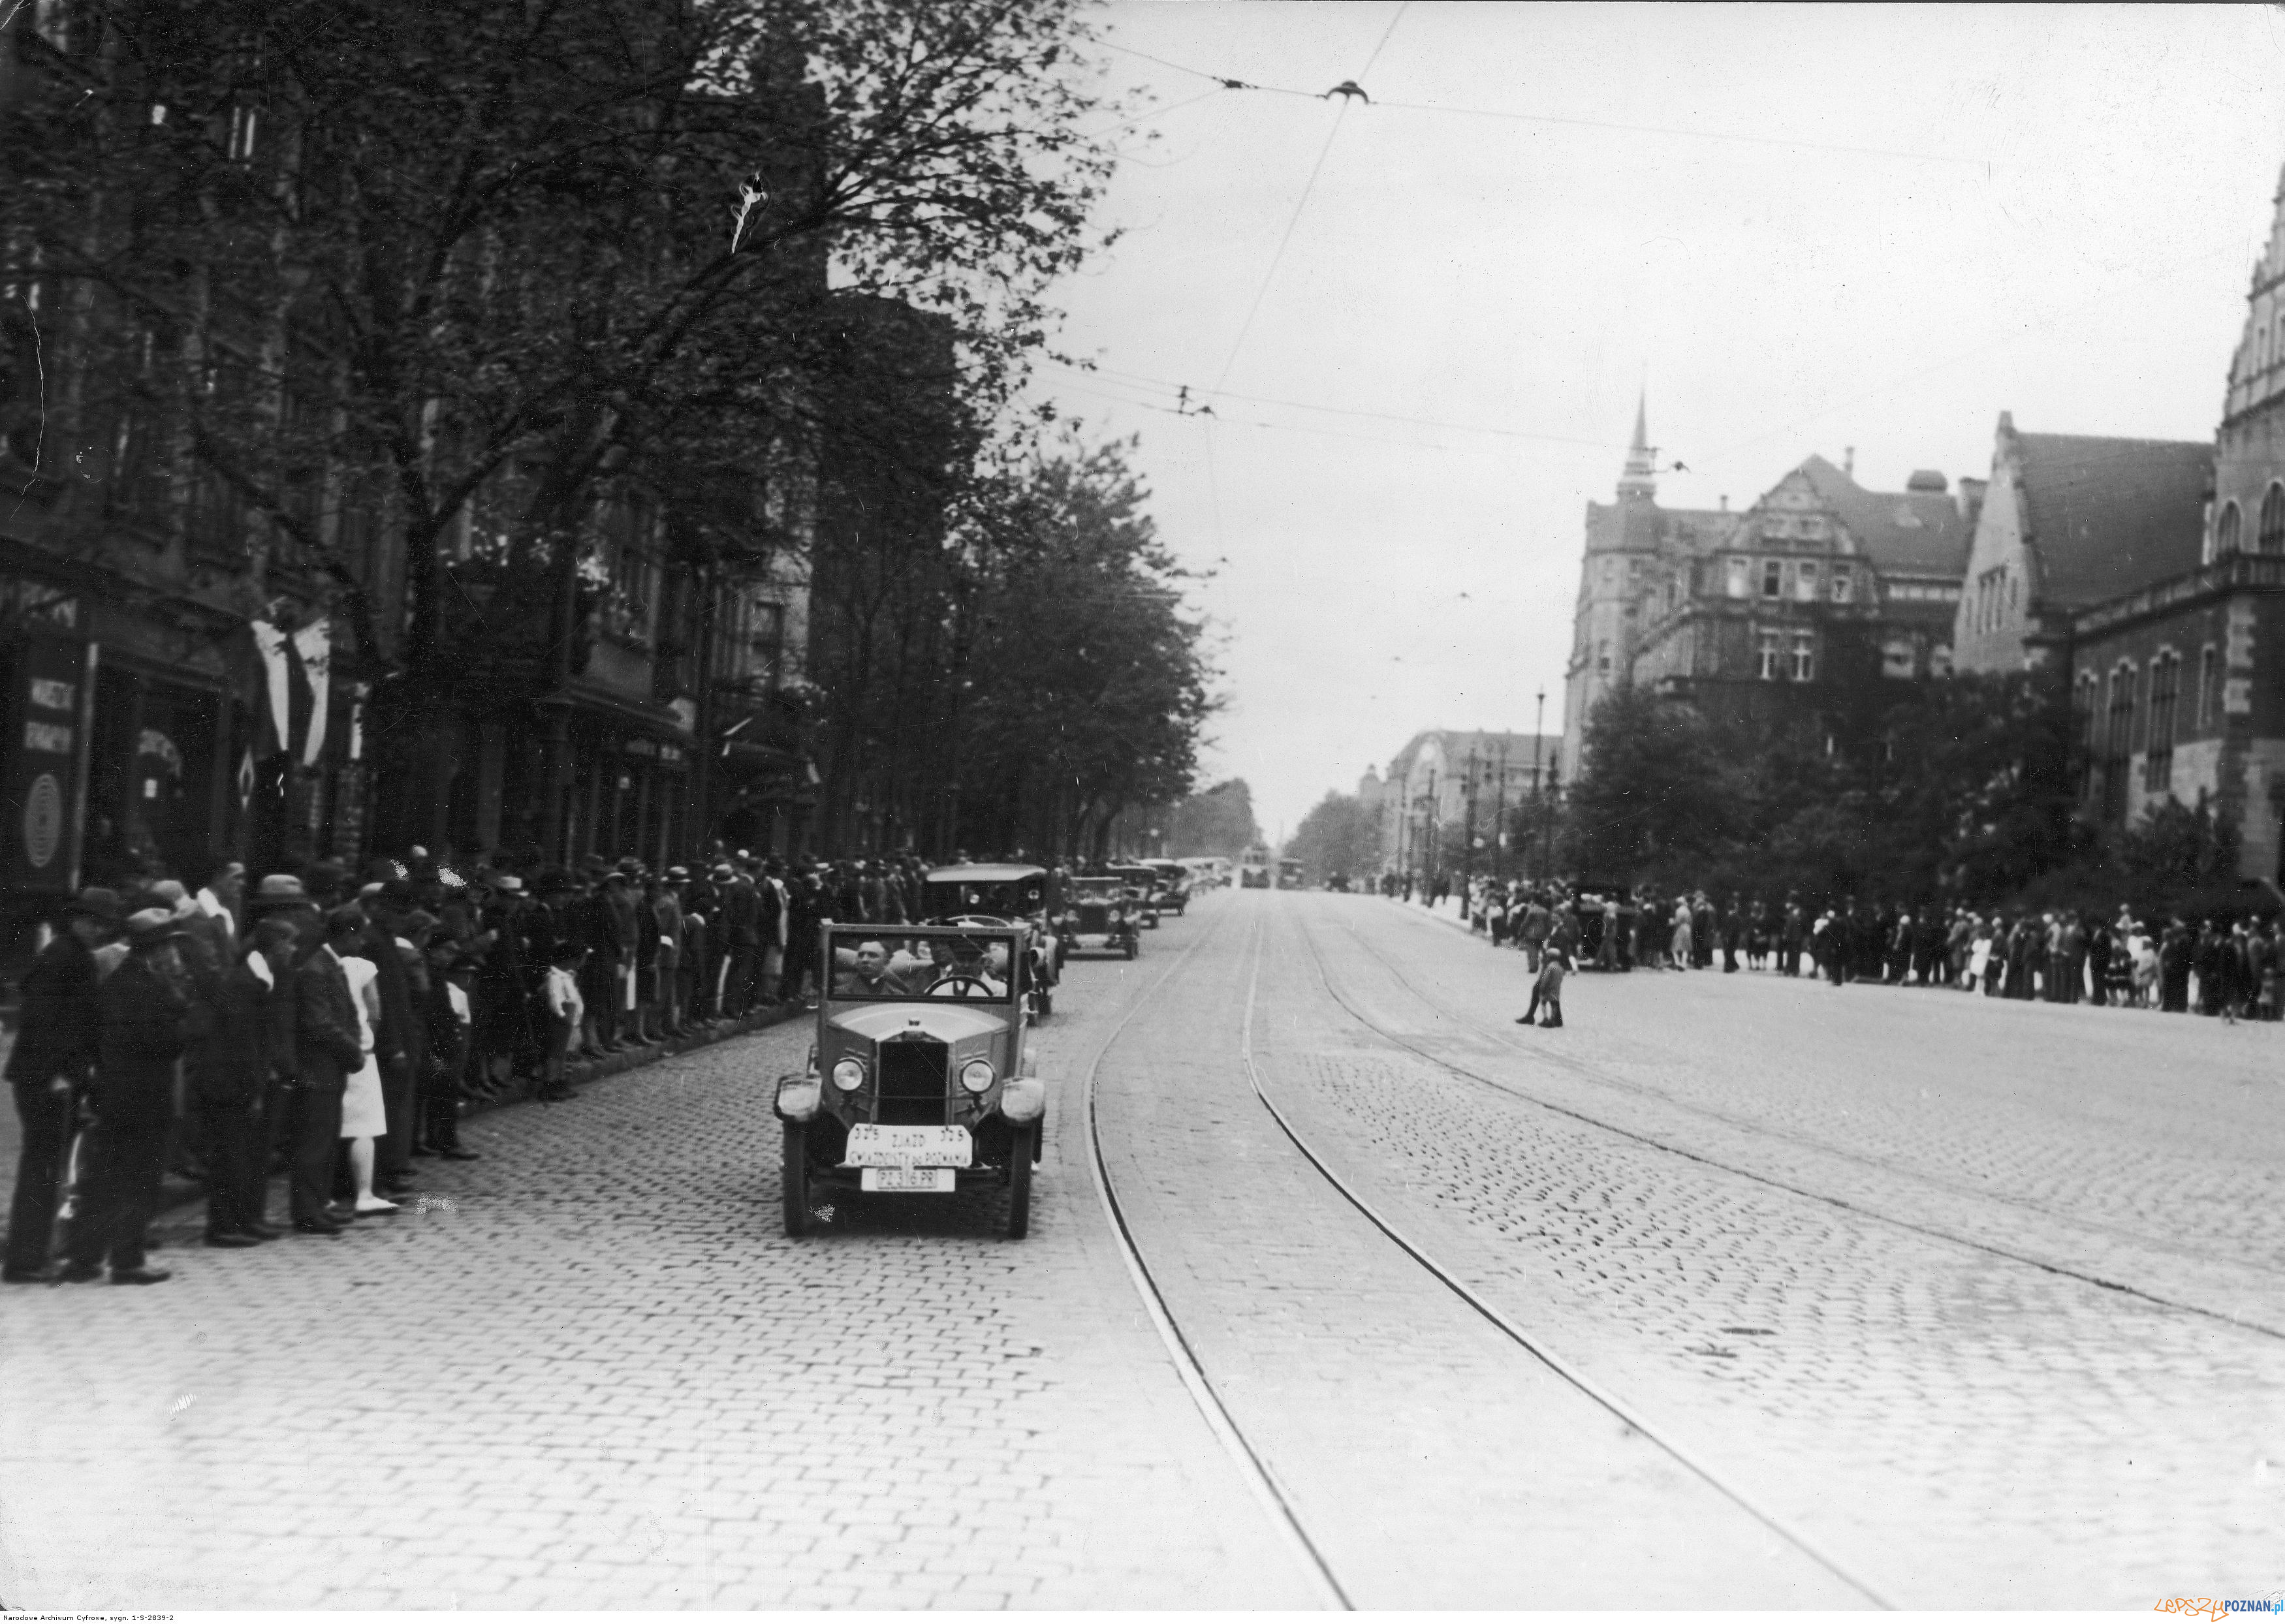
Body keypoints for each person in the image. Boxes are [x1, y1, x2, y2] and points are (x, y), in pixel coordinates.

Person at [61, 909, 195, 1284]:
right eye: (171, 946)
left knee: (102, 1178)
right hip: (146, 1097)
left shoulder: (117, 982)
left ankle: (84, 1260)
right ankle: (128, 1260)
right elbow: (167, 1043)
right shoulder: (153, 989)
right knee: (139, 1179)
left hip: (112, 1093)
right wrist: (182, 1016)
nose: (174, 955)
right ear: (160, 949)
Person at [3, 889, 120, 1281]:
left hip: (50, 1075)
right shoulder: (64, 958)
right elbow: (43, 1020)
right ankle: (27, 1259)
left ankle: (32, 1254)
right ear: (78, 919)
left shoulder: (68, 953)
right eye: (95, 922)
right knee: (43, 1166)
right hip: (48, 1078)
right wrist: (58, 1073)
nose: (100, 931)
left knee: (45, 1165)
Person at [289, 909, 370, 1236]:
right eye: (358, 934)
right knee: (314, 1143)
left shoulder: (327, 964)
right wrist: (353, 1051)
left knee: (325, 1141)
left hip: (329, 1069)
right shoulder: (316, 970)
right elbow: (320, 1023)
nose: (361, 941)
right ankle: (308, 1211)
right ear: (346, 934)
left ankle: (318, 1204)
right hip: (317, 1069)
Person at [541, 943, 587, 1102]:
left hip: (569, 1021)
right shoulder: (555, 978)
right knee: (555, 1054)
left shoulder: (568, 977)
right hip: (559, 1021)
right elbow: (555, 1001)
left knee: (563, 1054)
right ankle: (551, 1084)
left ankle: (561, 1082)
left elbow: (575, 999)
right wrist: (562, 1016)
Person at [835, 939, 911, 997]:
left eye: (872, 955)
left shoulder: (898, 995)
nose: (864, 960)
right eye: (861, 955)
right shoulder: (839, 993)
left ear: (886, 963)